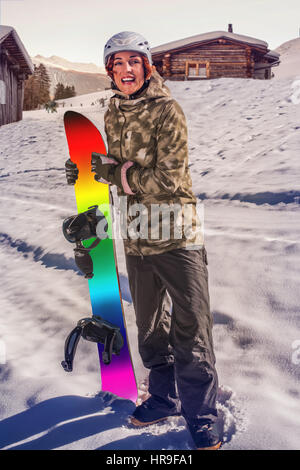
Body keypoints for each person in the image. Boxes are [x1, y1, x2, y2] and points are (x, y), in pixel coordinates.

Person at [65, 31, 221, 450]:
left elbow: (169, 178)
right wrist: (87, 169)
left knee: (191, 329)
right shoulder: (114, 112)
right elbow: (114, 167)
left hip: (176, 235)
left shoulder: (168, 110)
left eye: (133, 62)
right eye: (117, 64)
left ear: (147, 66)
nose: (125, 70)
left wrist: (119, 176)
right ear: (111, 73)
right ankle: (164, 398)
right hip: (137, 237)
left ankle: (202, 416)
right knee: (151, 328)